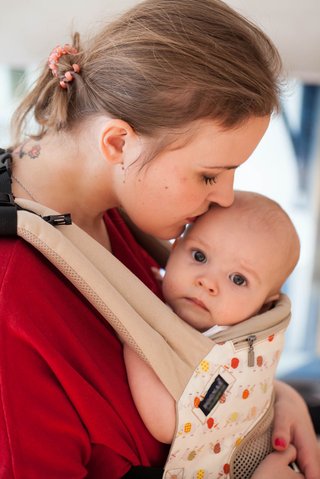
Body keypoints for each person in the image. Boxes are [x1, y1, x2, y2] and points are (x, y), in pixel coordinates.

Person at [1, 0, 319, 477]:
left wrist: (274, 398)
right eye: (210, 175)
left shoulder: (118, 210)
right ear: (118, 143)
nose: (226, 200)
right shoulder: (14, 302)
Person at [124, 190, 301, 444]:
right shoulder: (157, 283)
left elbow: (169, 426)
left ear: (265, 305)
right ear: (175, 249)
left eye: (238, 279)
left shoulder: (229, 360)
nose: (207, 282)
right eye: (199, 256)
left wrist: (136, 339)